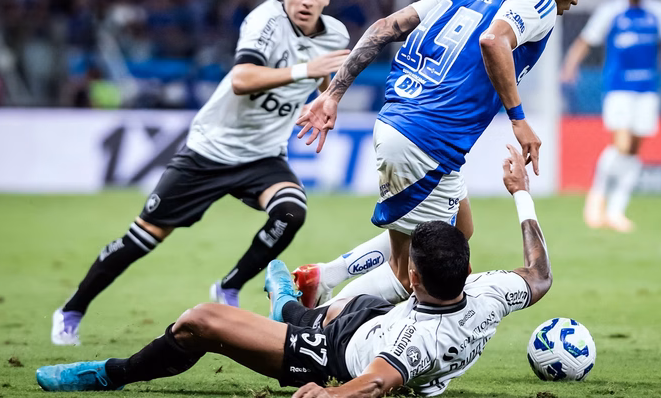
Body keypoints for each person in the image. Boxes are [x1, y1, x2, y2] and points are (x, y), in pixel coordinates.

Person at [36, 144, 552, 397]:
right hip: (367, 318)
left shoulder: (415, 343)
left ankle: (109, 375)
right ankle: (286, 293)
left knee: (203, 321)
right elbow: (539, 275)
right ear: (466, 271)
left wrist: (330, 394)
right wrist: (521, 192)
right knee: (326, 306)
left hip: (332, 356)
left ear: (414, 279)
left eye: (407, 266)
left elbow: (373, 384)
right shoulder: (490, 293)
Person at [292, 0, 598, 308]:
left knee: (460, 229)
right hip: (428, 139)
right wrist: (519, 120)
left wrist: (334, 93)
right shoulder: (537, 0)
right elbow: (493, 41)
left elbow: (386, 26)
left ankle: (328, 275)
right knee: (412, 277)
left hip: (403, 121)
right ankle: (313, 326)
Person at [50, 0, 351, 346]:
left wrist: (325, 99)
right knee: (143, 238)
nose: (307, 0)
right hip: (210, 150)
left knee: (291, 211)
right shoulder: (265, 20)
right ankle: (72, 309)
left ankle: (229, 285)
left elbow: (325, 82)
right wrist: (305, 70)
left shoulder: (337, 35)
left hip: (264, 155)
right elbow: (242, 78)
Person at [559, 0, 661, 232]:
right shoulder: (610, 11)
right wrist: (570, 66)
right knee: (622, 145)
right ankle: (596, 198)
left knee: (634, 150)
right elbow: (585, 40)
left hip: (647, 91)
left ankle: (616, 211)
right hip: (619, 89)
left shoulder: (657, 12)